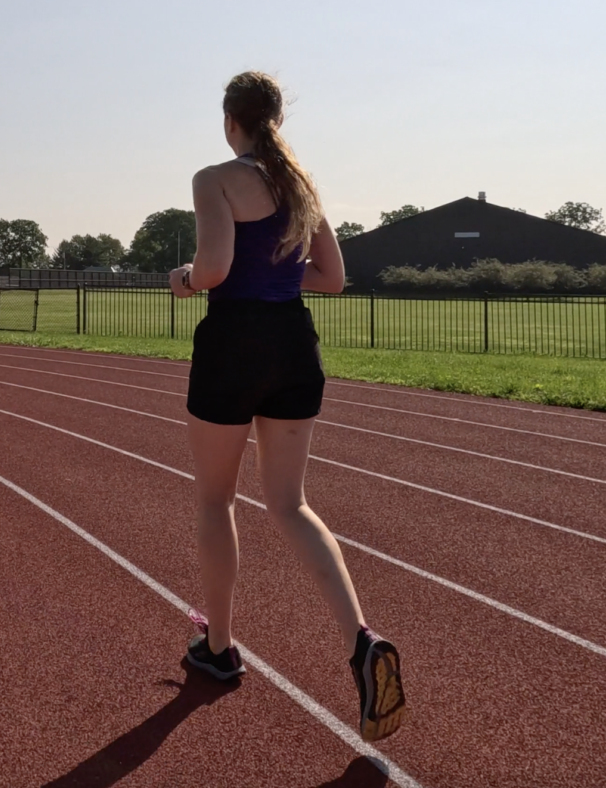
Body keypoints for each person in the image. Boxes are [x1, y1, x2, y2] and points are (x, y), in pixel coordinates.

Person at [168, 71, 407, 743]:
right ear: (275, 119)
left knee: (217, 500)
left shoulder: (214, 176)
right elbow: (331, 278)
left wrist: (184, 281)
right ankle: (361, 640)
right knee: (291, 503)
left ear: (230, 122)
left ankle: (218, 648)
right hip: (294, 349)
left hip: (233, 345)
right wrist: (271, 268)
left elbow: (211, 268)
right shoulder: (302, 187)